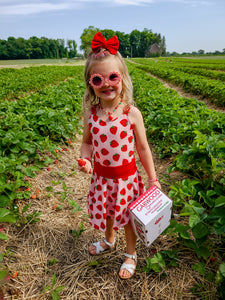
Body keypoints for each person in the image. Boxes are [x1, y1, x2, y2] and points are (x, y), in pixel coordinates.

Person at [78, 32, 161, 279]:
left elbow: (143, 148)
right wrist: (84, 159)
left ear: (122, 78)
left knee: (127, 218)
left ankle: (131, 253)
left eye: (112, 76)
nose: (106, 83)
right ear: (90, 83)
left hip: (126, 178)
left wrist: (152, 178)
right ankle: (108, 239)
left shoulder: (131, 113)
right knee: (108, 213)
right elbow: (86, 143)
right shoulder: (91, 114)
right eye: (97, 78)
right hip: (102, 178)